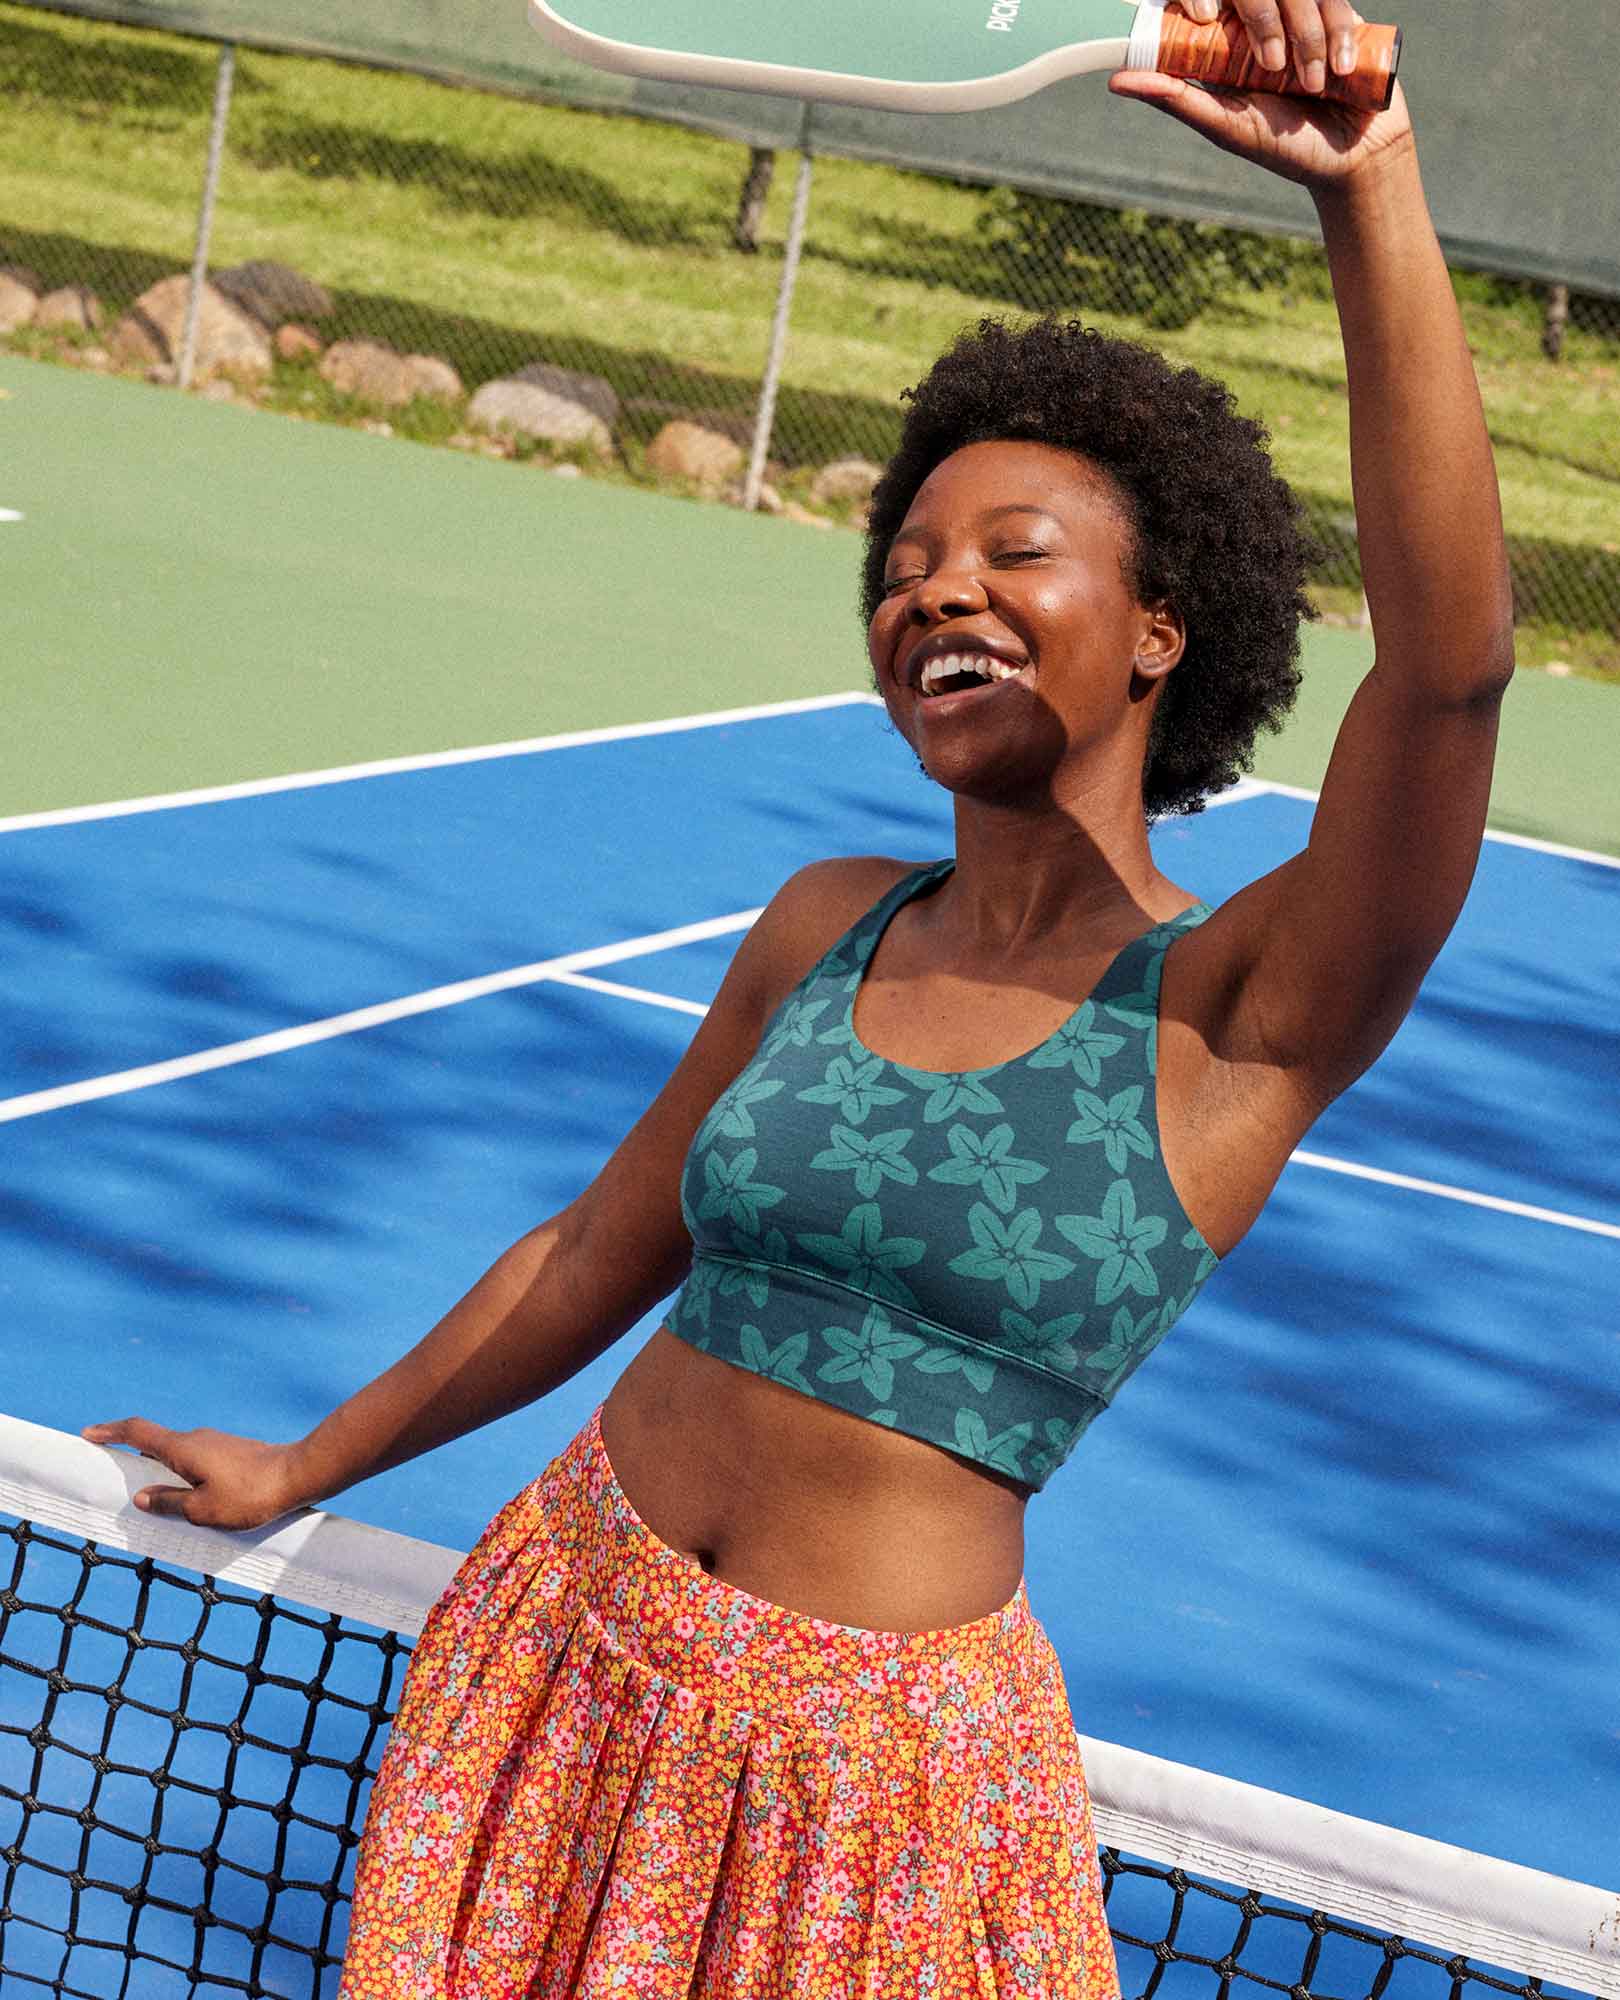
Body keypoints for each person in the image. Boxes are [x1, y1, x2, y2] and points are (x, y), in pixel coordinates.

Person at [84, 4, 1514, 1992]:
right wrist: (314, 1464)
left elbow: (1447, 677)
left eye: (1016, 554)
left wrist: (1373, 194)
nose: (940, 590)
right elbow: (593, 1250)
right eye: (907, 563)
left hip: (874, 1804)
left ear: (1158, 635)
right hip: (560, 1652)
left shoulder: (1242, 1007)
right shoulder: (828, 923)